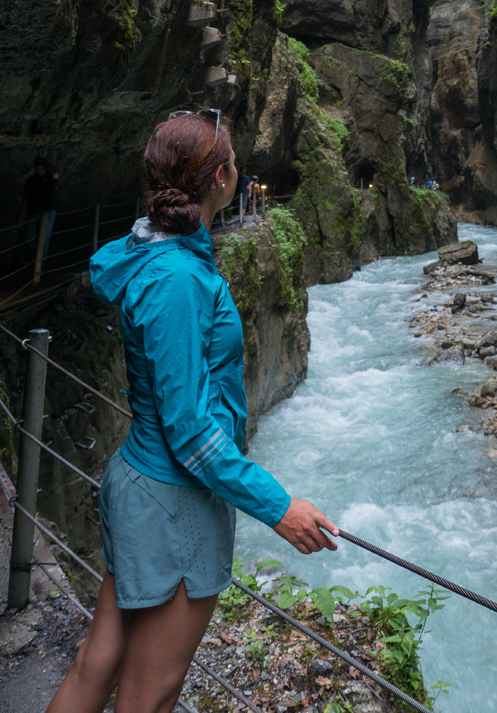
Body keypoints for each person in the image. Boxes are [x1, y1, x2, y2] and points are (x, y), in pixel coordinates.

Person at [46, 109, 338, 713]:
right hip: (171, 503)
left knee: (95, 665)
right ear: (223, 178)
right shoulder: (178, 278)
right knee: (149, 697)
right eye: (233, 163)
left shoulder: (155, 248)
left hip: (141, 484)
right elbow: (191, 432)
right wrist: (278, 506)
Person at [18, 156, 59, 259]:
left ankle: (40, 267)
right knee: (30, 240)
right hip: (33, 213)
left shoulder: (49, 178)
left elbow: (55, 175)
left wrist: (46, 163)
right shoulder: (31, 180)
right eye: (38, 169)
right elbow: (25, 199)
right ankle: (37, 261)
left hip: (48, 213)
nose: (40, 172)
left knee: (44, 240)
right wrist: (21, 216)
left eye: (42, 169)